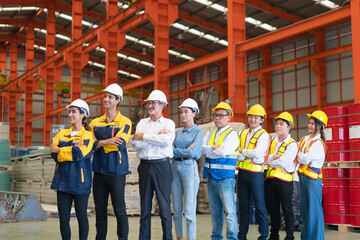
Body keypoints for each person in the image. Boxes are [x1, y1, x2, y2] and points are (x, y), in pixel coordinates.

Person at [89, 83, 132, 240]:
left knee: (119, 210)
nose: (106, 99)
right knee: (100, 211)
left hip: (117, 172)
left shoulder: (125, 122)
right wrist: (108, 141)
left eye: (110, 97)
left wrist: (99, 142)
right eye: (105, 96)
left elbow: (120, 144)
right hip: (99, 172)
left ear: (118, 100)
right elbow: (90, 145)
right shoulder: (95, 123)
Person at [132, 89, 175, 240]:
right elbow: (136, 144)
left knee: (164, 208)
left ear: (162, 105)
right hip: (144, 166)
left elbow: (166, 141)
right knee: (144, 208)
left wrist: (144, 137)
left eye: (153, 103)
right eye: (149, 103)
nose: (150, 105)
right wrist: (155, 137)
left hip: (162, 167)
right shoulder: (142, 123)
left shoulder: (169, 123)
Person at [50, 99, 94, 240]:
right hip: (63, 182)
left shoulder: (87, 135)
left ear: (83, 115)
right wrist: (72, 148)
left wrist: (61, 149)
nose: (70, 114)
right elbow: (53, 153)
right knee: (63, 219)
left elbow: (80, 154)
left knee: (82, 217)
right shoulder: (62, 133)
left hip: (80, 183)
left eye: (74, 111)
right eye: (69, 111)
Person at [202, 101, 239, 240]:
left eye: (221, 115)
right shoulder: (211, 133)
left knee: (229, 212)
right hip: (211, 177)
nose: (217, 118)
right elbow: (201, 149)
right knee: (215, 212)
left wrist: (210, 149)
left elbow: (224, 151)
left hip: (225, 178)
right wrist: (214, 148)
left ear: (229, 117)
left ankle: (231, 238)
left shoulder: (232, 135)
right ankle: (216, 237)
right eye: (215, 115)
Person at [172, 98, 204, 240]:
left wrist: (177, 150)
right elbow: (169, 150)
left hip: (189, 168)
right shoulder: (177, 133)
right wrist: (185, 150)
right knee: (177, 209)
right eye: (182, 112)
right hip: (175, 167)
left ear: (194, 113)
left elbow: (195, 153)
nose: (183, 115)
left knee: (189, 210)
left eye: (186, 112)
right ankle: (179, 237)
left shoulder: (198, 132)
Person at [237, 104, 270, 240]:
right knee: (243, 207)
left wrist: (242, 152)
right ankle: (242, 235)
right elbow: (235, 151)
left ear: (262, 120)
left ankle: (263, 235)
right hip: (242, 173)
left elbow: (257, 153)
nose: (253, 120)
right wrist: (244, 154)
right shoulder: (243, 133)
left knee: (260, 205)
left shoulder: (264, 135)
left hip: (256, 175)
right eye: (251, 116)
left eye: (256, 117)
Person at [265, 112, 298, 240]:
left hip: (284, 181)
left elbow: (284, 162)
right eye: (277, 124)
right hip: (270, 180)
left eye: (281, 124)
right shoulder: (272, 141)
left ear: (289, 127)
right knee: (273, 210)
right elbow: (264, 157)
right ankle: (274, 236)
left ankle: (290, 236)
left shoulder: (292, 144)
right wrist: (274, 157)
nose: (278, 126)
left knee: (287, 210)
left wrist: (271, 159)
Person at [297, 110, 327, 240]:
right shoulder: (304, 139)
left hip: (313, 181)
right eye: (309, 123)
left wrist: (298, 155)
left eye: (312, 123)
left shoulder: (319, 144)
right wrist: (299, 155)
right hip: (303, 179)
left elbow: (304, 159)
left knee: (314, 213)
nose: (309, 125)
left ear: (319, 126)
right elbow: (298, 153)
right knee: (305, 212)